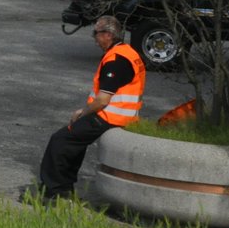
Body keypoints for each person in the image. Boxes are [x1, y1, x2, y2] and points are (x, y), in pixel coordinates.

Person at [35, 15, 146, 201]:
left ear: (108, 35)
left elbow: (102, 100)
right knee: (74, 140)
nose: (94, 37)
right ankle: (64, 187)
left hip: (110, 117)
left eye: (96, 33)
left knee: (61, 140)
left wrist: (82, 112)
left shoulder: (115, 60)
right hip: (124, 115)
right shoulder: (128, 52)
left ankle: (54, 191)